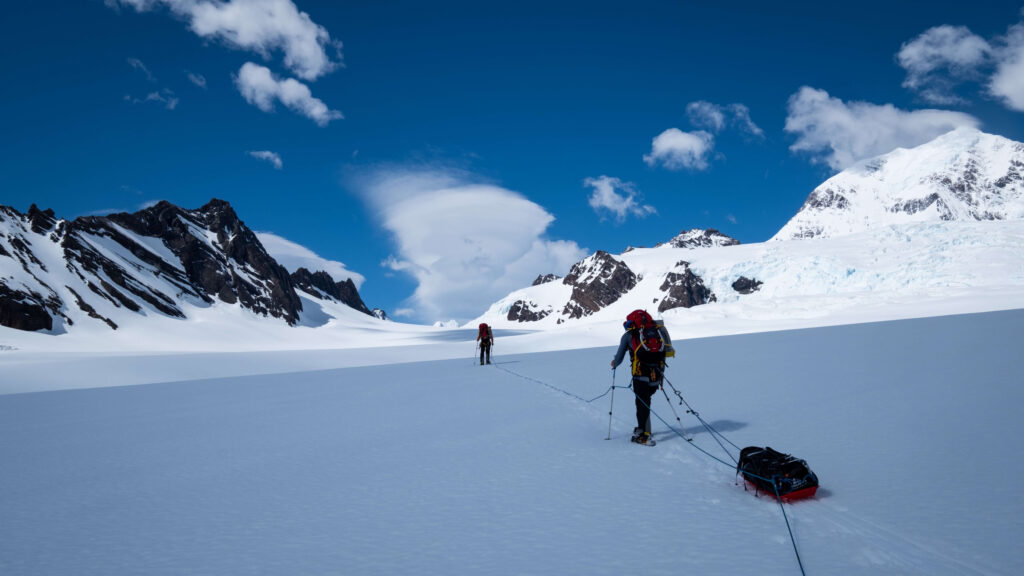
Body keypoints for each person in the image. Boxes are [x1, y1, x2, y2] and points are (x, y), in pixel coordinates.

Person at [610, 311, 668, 445]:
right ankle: (645, 429)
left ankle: (644, 434)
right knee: (647, 400)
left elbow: (619, 358)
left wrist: (614, 363)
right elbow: (665, 352)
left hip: (640, 374)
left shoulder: (629, 335)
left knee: (642, 402)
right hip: (656, 373)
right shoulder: (657, 332)